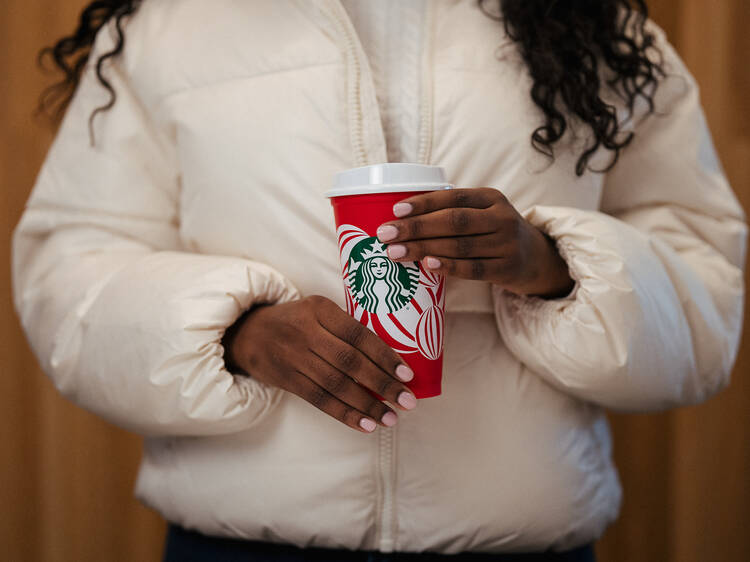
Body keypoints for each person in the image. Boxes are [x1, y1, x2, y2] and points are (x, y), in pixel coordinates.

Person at [11, 0, 747, 561]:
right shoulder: (172, 22)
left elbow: (705, 288)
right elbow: (70, 270)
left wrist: (548, 263)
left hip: (521, 538)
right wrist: (237, 333)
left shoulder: (591, 23)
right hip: (241, 539)